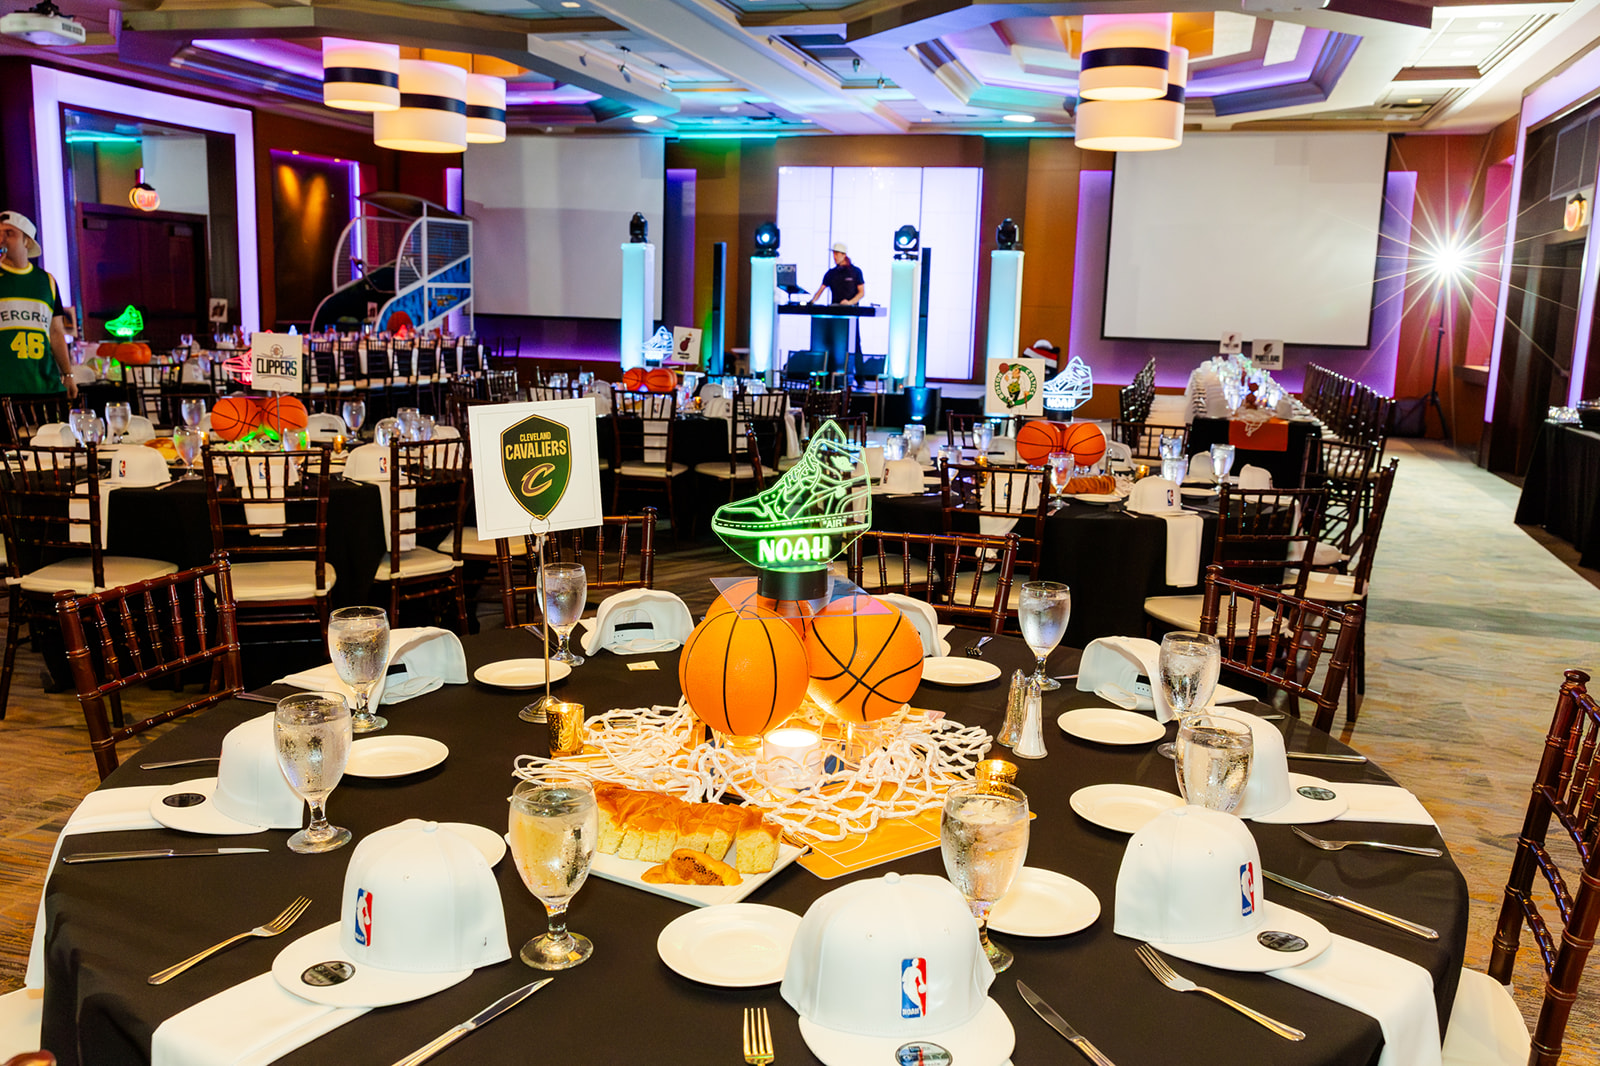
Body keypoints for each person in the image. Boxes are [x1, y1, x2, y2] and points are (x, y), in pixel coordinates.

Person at [0, 210, 76, 401]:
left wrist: (68, 374)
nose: (2, 239)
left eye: (9, 233)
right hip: (5, 385)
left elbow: (56, 332)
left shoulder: (47, 281)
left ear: (27, 241)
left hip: (43, 383)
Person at [809, 241, 865, 307]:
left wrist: (849, 303)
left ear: (844, 255)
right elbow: (820, 290)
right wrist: (811, 302)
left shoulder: (856, 272)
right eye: (833, 254)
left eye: (837, 254)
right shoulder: (831, 273)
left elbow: (861, 293)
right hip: (835, 309)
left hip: (851, 310)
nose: (834, 257)